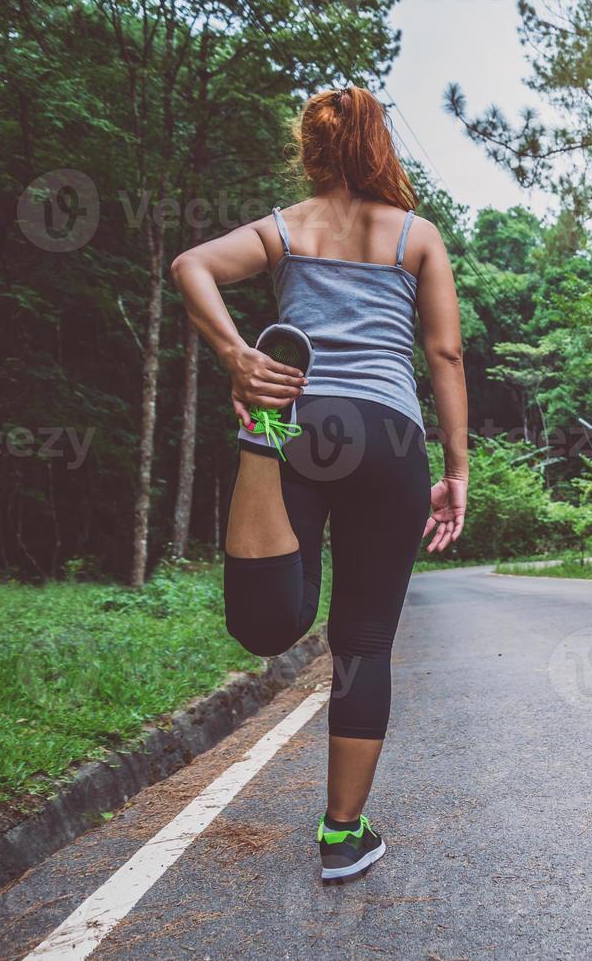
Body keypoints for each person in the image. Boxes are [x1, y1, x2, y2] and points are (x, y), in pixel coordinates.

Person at [171, 85, 468, 883]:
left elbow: (189, 265)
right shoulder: (417, 236)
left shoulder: (288, 227)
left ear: (313, 149)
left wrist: (238, 357)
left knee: (271, 626)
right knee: (364, 643)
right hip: (389, 435)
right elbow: (443, 358)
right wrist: (457, 470)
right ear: (382, 147)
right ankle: (342, 836)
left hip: (305, 420)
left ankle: (258, 440)